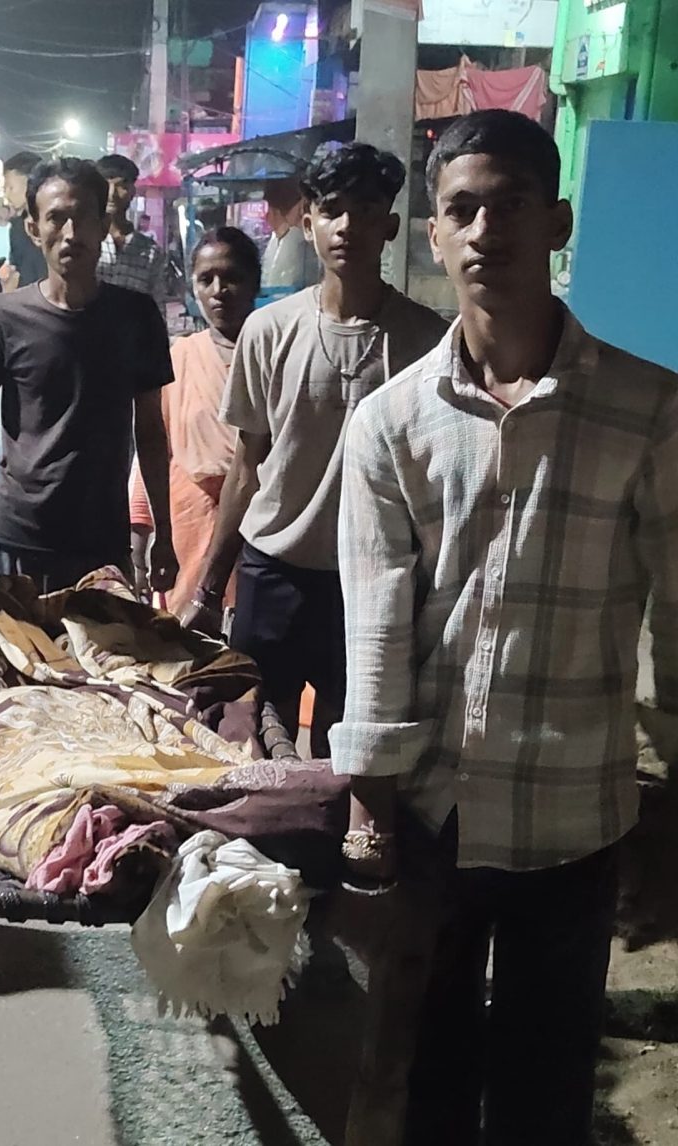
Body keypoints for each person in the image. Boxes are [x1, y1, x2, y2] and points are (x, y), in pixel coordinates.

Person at [334, 108, 678, 1145]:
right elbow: (376, 630)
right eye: (461, 209)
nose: (484, 231)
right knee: (428, 1084)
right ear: (432, 233)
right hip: (438, 815)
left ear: (557, 222)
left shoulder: (652, 410)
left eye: (509, 206)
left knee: (545, 1097)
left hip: (575, 813)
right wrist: (371, 814)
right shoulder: (389, 423)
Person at [181, 143, 448, 759]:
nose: (347, 225)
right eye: (331, 210)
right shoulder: (269, 330)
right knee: (252, 737)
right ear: (308, 223)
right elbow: (246, 468)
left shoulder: (428, 341)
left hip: (372, 580)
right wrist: (209, 587)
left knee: (347, 743)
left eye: (366, 209)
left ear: (390, 225)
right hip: (272, 570)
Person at [0, 157, 175, 593]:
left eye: (82, 218)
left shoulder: (135, 317)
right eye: (56, 218)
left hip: (101, 545)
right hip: (14, 540)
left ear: (103, 226)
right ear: (33, 228)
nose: (70, 233)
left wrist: (165, 532)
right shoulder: (2, 316)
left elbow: (152, 432)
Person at [129, 226, 260, 614]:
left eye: (232, 277)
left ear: (254, 282)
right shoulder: (179, 358)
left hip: (257, 531)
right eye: (206, 279)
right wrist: (141, 538)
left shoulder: (276, 353)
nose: (219, 290)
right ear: (193, 287)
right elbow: (153, 448)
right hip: (186, 530)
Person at [92, 153, 181, 325]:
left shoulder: (150, 251)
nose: (112, 194)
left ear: (133, 191)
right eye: (106, 185)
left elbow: (157, 308)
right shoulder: (85, 240)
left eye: (121, 185)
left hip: (132, 337)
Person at [0, 150, 48, 290]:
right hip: (25, 298)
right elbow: (16, 270)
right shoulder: (16, 227)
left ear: (31, 183)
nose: (6, 194)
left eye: (11, 187)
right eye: (5, 188)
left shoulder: (54, 224)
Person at [260, 176, 318, 292]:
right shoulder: (277, 239)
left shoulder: (296, 239)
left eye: (268, 208)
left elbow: (279, 284)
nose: (265, 216)